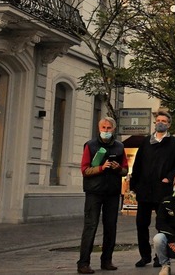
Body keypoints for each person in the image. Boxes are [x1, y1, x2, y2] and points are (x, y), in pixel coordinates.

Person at [130, 111, 175, 268]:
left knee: (162, 224)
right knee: (141, 223)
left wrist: (169, 177)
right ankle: (145, 255)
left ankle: (159, 255)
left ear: (169, 124)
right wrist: (134, 185)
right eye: (158, 120)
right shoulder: (146, 142)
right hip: (144, 190)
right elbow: (138, 164)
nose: (160, 123)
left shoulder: (174, 143)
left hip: (163, 190)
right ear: (155, 123)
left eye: (164, 121)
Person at [77, 117, 129, 274]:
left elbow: (125, 170)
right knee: (90, 226)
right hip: (94, 191)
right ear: (99, 128)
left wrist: (117, 167)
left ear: (113, 129)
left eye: (109, 128)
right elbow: (85, 170)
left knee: (110, 227)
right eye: (103, 128)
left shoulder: (119, 146)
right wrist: (101, 168)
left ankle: (107, 260)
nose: (106, 131)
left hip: (112, 192)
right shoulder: (90, 145)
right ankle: (83, 263)